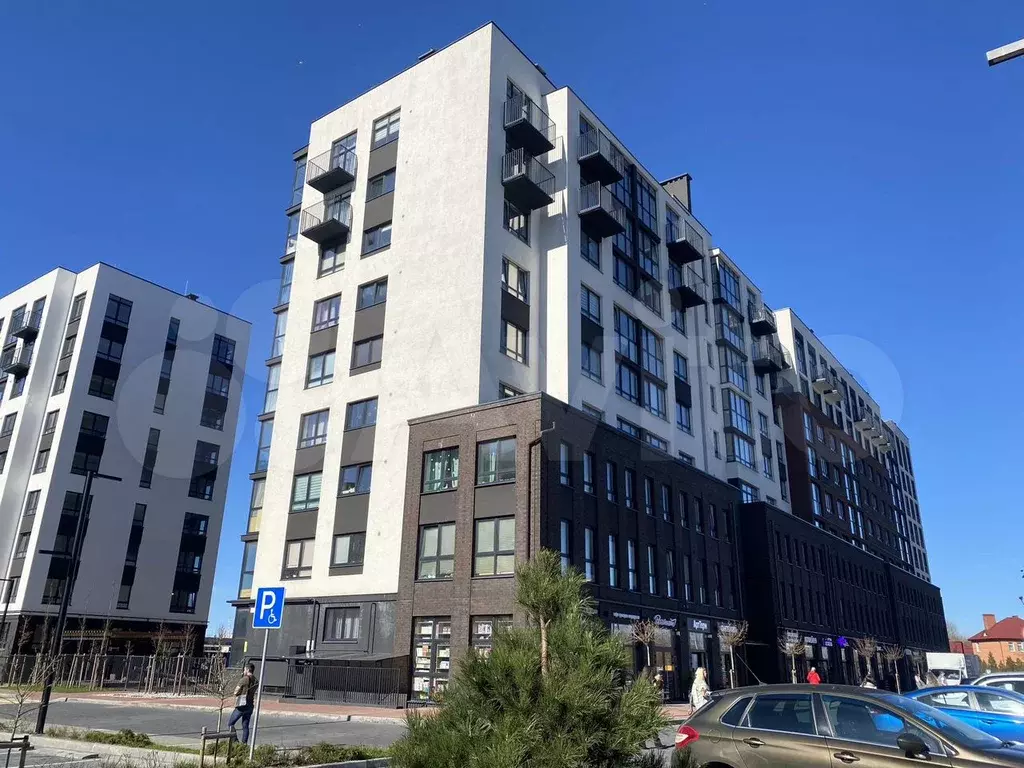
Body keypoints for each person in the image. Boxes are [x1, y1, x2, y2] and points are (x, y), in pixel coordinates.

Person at [228, 663, 259, 744]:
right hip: (250, 705)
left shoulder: (244, 679)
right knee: (245, 726)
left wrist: (238, 693)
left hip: (242, 705)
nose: (244, 671)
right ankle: (244, 744)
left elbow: (236, 691)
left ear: (248, 670)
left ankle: (235, 742)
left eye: (244, 669)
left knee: (231, 724)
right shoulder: (256, 681)